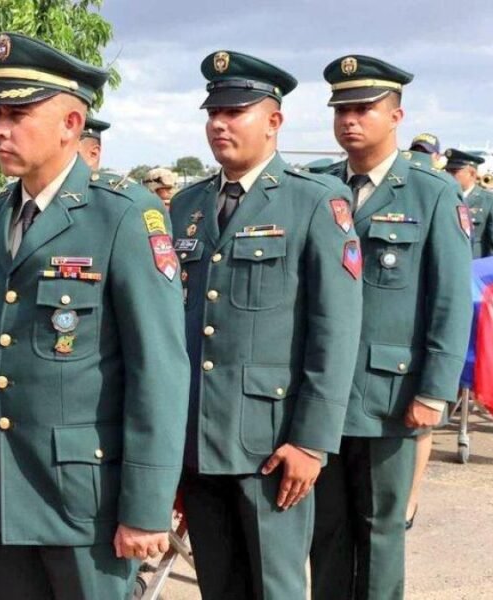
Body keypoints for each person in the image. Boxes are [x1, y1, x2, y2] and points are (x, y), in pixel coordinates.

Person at [0, 32, 190, 599]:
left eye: (18, 114)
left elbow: (158, 370)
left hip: (88, 501)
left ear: (70, 123)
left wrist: (147, 505)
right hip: (8, 487)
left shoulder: (124, 215)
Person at [168, 50, 363, 599]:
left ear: (274, 120)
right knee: (219, 585)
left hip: (271, 444)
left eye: (235, 112)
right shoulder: (187, 206)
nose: (219, 124)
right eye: (213, 113)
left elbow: (336, 330)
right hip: (197, 438)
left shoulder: (316, 202)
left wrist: (312, 440)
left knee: (275, 587)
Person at [310, 55, 472, 600]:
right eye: (341, 110)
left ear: (396, 116)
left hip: (391, 394)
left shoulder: (432, 193)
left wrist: (434, 390)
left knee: (381, 529)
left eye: (363, 108)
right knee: (326, 532)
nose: (349, 120)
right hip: (322, 397)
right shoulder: (318, 189)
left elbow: (451, 301)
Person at [445, 148, 493, 258]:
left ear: (472, 173)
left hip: (476, 269)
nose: (449, 175)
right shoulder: (444, 198)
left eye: (454, 171)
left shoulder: (491, 201)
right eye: (447, 171)